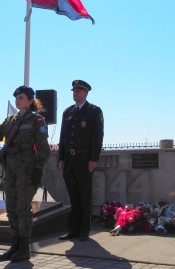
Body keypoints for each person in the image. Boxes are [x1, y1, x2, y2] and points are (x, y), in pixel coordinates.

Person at [0, 85, 50, 263]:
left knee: (23, 209)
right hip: (11, 171)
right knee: (12, 209)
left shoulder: (36, 120)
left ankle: (24, 248)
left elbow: (43, 148)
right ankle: (14, 245)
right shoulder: (10, 121)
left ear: (30, 100)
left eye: (21, 97)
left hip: (27, 171)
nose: (17, 100)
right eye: (16, 98)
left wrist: (38, 169)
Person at [58, 79, 104, 241]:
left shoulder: (94, 111)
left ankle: (84, 231)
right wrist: (61, 158)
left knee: (85, 195)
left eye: (78, 90)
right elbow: (63, 137)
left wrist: (93, 159)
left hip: (85, 159)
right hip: (69, 160)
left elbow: (97, 137)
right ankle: (73, 230)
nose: (74, 92)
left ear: (85, 93)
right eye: (73, 90)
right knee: (73, 196)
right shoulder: (67, 112)